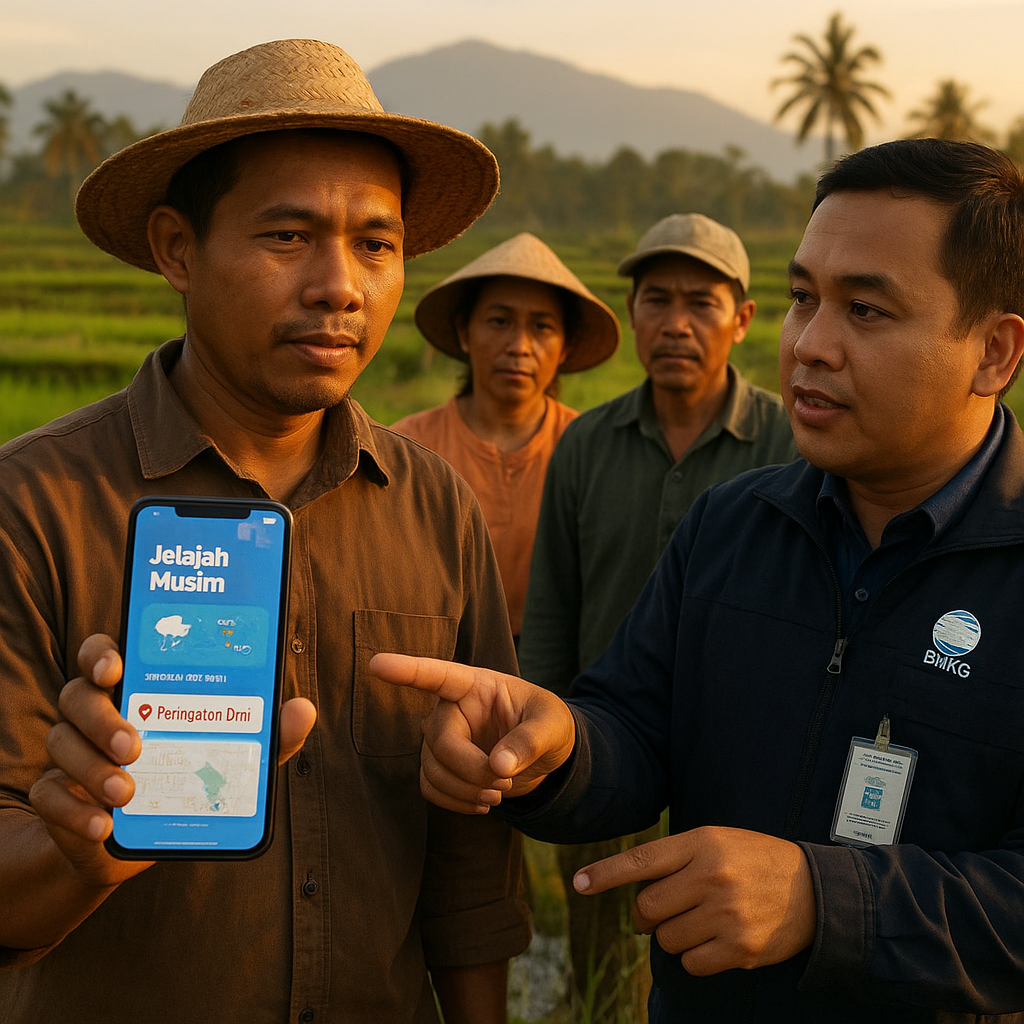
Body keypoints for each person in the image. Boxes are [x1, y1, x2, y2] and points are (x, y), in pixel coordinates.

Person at [371, 138, 1024, 1023]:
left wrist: (823, 901)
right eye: (803, 299)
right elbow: (636, 727)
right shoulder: (733, 524)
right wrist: (555, 744)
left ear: (993, 351)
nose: (810, 346)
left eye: (866, 310)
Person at [0, 39, 530, 1024]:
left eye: (376, 243)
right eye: (288, 237)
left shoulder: (437, 507)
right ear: (176, 249)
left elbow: (468, 861)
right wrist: (74, 851)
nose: (342, 285)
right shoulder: (33, 506)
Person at [516, 213, 796, 1015]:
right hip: (610, 748)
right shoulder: (587, 446)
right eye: (657, 300)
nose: (676, 323)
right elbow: (553, 606)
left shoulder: (791, 444)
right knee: (600, 963)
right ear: (632, 313)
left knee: (725, 975)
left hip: (748, 759)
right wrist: (544, 743)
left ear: (742, 320)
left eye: (701, 303)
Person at [392, 232, 619, 641]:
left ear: (565, 346)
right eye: (499, 322)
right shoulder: (408, 449)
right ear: (464, 332)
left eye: (542, 327)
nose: (519, 346)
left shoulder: (592, 449)